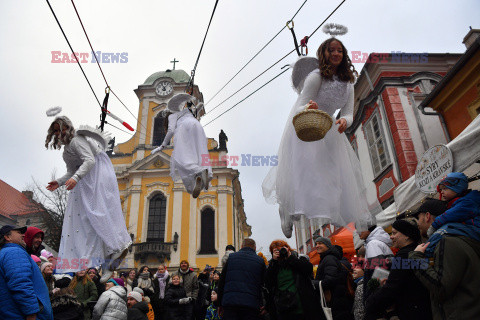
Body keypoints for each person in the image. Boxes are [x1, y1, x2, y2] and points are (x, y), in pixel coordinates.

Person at [262, 38, 375, 237]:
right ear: (324, 54)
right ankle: (287, 211)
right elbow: (300, 104)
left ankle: (333, 212)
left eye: (339, 50)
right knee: (304, 175)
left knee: (332, 175)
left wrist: (345, 122)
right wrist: (308, 108)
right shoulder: (316, 77)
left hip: (328, 128)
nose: (336, 54)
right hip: (306, 126)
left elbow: (349, 112)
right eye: (331, 50)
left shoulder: (349, 84)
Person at [45, 116, 131, 279]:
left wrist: (76, 178)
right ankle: (107, 261)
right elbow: (72, 170)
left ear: (67, 127)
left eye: (60, 129)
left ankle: (116, 247)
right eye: (55, 131)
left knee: (96, 213)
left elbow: (89, 160)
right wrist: (59, 181)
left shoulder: (77, 140)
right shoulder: (67, 150)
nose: (58, 133)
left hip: (95, 175)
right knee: (86, 222)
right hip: (85, 180)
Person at [409, 199, 480, 319]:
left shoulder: (446, 241)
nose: (418, 224)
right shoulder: (457, 234)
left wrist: (415, 259)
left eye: (418, 218)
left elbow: (440, 287)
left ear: (427, 216)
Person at [365, 219, 432, 320]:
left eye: (394, 233)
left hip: (411, 312)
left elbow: (392, 286)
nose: (391, 236)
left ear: (407, 235)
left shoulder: (403, 255)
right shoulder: (417, 251)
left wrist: (371, 302)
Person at [152, 94, 212, 198]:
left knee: (181, 159)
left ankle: (198, 172)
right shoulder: (187, 112)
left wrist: (162, 146)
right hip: (196, 126)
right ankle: (205, 175)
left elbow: (170, 131)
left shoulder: (172, 116)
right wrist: (200, 105)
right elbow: (198, 108)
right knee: (201, 151)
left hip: (184, 128)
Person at [0, 225, 53, 320]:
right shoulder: (14, 252)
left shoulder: (7, 252)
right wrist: (31, 313)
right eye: (19, 232)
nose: (23, 235)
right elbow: (20, 284)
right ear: (8, 237)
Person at [423, 173, 480, 256]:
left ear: (457, 188)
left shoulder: (467, 202)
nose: (441, 192)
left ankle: (426, 253)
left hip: (475, 230)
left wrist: (435, 224)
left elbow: (450, 215)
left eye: (445, 188)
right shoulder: (462, 202)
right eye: (441, 189)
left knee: (443, 231)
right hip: (472, 231)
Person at [265, 240, 319, 320]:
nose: (281, 252)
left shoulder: (297, 259)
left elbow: (308, 269)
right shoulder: (273, 266)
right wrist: (274, 262)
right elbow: (268, 283)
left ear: (288, 248)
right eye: (277, 251)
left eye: (282, 249)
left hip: (302, 307)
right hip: (283, 309)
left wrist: (290, 257)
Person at [218, 238, 266, 320]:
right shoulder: (260, 261)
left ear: (241, 246)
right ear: (255, 247)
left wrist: (219, 304)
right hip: (251, 305)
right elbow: (264, 284)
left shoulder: (231, 258)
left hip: (230, 303)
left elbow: (222, 282)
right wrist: (265, 305)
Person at [314, 237, 353, 320]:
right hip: (337, 300)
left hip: (335, 301)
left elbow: (330, 280)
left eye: (320, 243)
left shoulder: (329, 258)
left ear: (327, 246)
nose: (317, 246)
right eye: (316, 244)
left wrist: (313, 283)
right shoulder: (327, 258)